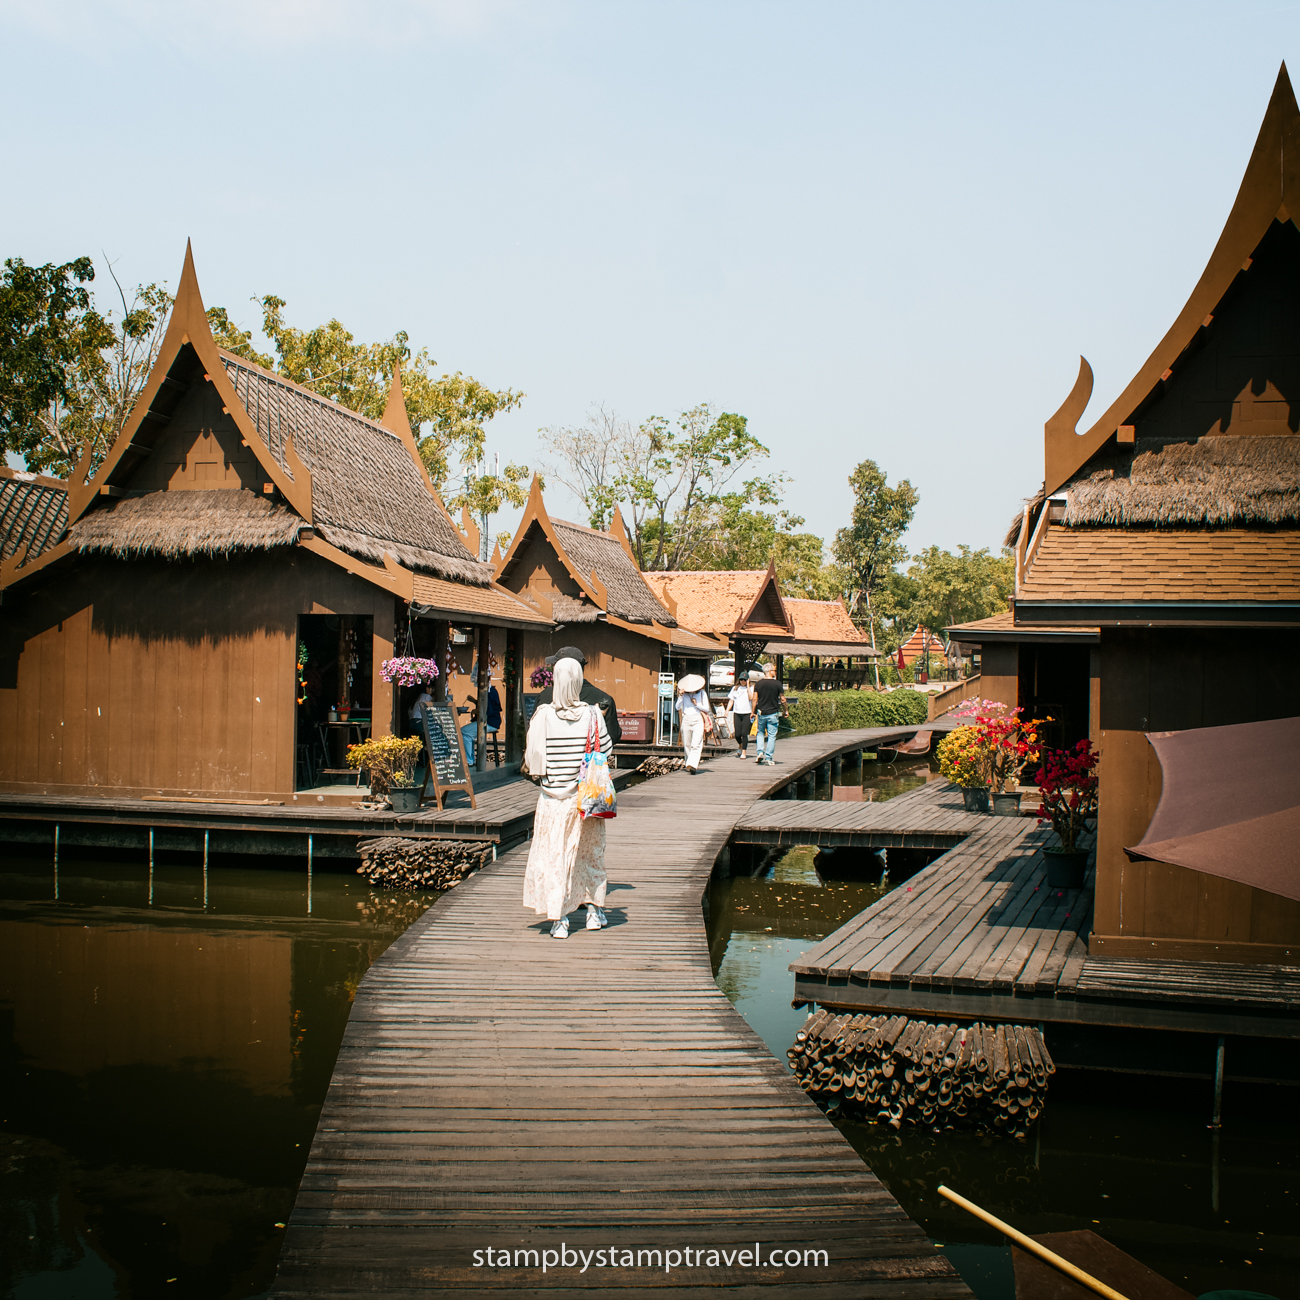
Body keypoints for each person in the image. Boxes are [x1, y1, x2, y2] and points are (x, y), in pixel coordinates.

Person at [521, 657, 613, 939]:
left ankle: (559, 918)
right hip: (585, 801)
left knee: (553, 857)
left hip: (551, 802)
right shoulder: (594, 715)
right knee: (589, 856)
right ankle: (594, 913)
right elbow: (605, 752)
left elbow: (532, 762)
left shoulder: (543, 716)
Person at [534, 646, 622, 746]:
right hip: (588, 760)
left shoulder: (544, 697)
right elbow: (613, 736)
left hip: (551, 759)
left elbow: (534, 735)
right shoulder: (604, 699)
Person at [675, 672, 710, 774]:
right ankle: (689, 764)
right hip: (686, 719)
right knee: (687, 744)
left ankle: (693, 764)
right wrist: (680, 697)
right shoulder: (684, 694)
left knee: (696, 744)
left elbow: (706, 708)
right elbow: (677, 707)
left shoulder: (702, 693)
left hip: (697, 718)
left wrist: (697, 704)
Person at [753, 663, 786, 766]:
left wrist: (752, 712)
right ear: (769, 671)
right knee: (771, 736)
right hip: (773, 713)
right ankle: (769, 757)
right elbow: (783, 699)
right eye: (774, 670)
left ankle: (760, 752)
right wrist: (786, 710)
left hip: (761, 712)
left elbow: (755, 699)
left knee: (760, 733)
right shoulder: (777, 684)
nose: (775, 672)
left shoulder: (758, 684)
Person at [726, 673, 755, 759]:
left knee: (744, 733)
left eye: (744, 680)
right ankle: (740, 744)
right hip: (737, 712)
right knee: (737, 734)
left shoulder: (751, 688)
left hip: (747, 713)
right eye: (741, 680)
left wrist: (748, 686)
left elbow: (751, 698)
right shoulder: (735, 688)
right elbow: (731, 700)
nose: (743, 681)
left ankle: (744, 751)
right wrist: (727, 710)